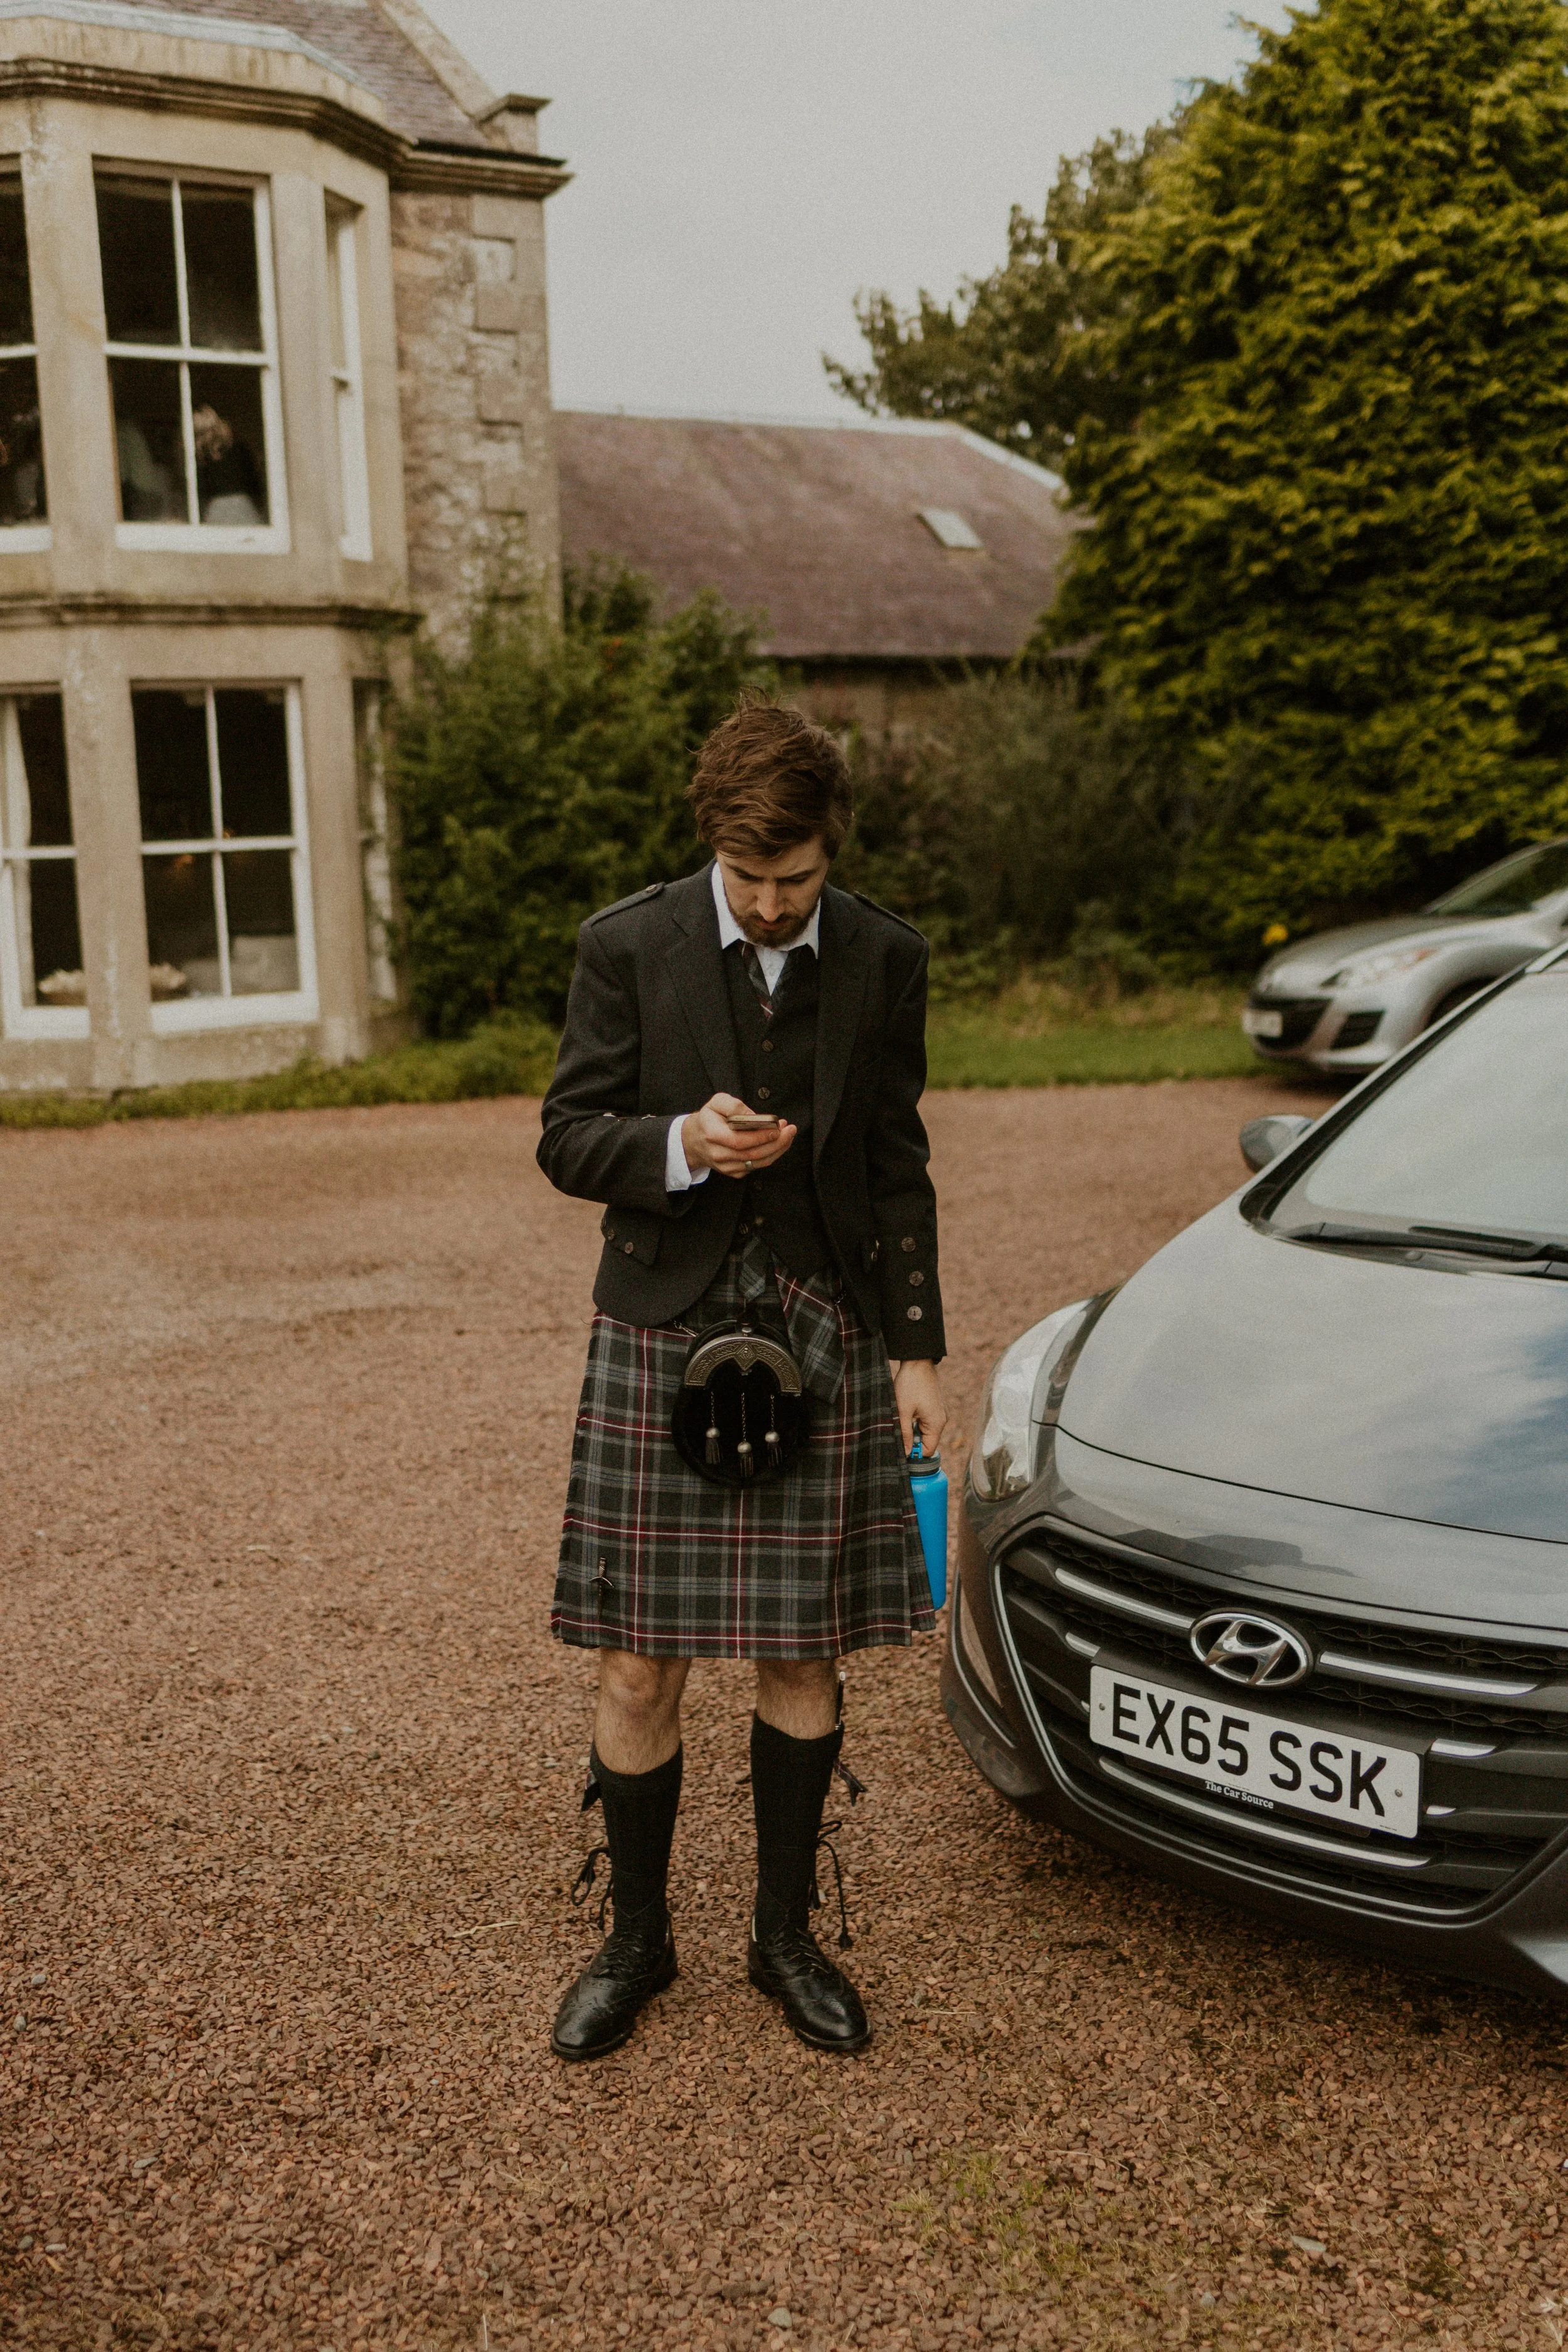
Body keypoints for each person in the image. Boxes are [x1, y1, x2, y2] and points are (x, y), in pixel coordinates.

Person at [537, 698, 948, 2062]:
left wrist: (917, 1349)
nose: (772, 908)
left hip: (821, 1324)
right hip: (663, 1325)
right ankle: (636, 1940)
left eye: (799, 881)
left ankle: (782, 1936)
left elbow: (894, 1165)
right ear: (712, 845)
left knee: (798, 1648)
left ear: (831, 852)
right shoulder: (626, 944)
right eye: (749, 879)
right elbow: (566, 1138)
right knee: (638, 1663)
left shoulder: (884, 958)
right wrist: (675, 1143)